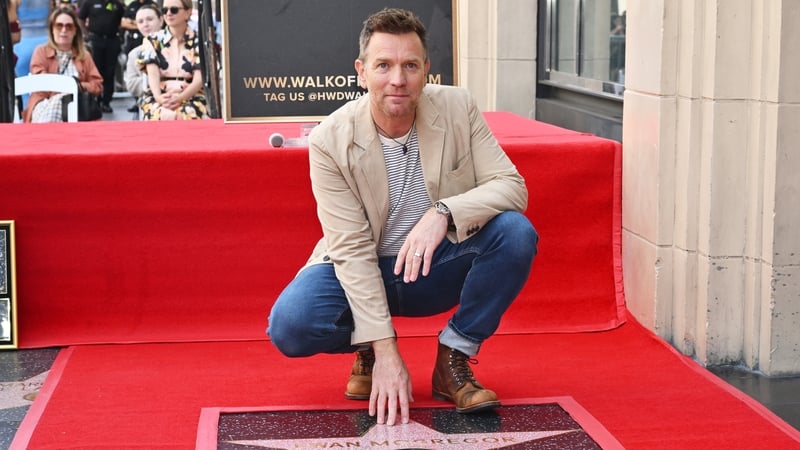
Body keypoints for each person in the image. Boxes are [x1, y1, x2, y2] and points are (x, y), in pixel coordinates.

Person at [267, 8, 538, 427]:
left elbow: (511, 186)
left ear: (427, 70)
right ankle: (368, 348)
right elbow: (352, 251)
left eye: (410, 65)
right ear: (361, 72)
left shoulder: (458, 107)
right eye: (384, 66)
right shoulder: (329, 140)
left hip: (434, 265)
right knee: (290, 325)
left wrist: (443, 212)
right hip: (362, 266)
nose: (398, 79)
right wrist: (387, 353)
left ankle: (454, 357)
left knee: (515, 233)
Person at [22, 6, 103, 123]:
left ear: (75, 31)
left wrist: (77, 86)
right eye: (59, 25)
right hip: (45, 104)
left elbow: (97, 86)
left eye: (69, 26)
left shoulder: (84, 56)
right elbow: (40, 82)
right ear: (52, 29)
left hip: (77, 107)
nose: (63, 30)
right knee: (58, 102)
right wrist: (65, 90)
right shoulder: (41, 51)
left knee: (68, 102)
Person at [138, 0, 207, 120]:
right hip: (159, 95)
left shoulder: (200, 41)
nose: (168, 13)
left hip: (191, 96)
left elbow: (199, 80)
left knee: (185, 116)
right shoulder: (152, 40)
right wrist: (159, 98)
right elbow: (152, 75)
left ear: (188, 12)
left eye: (174, 10)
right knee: (160, 114)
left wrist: (181, 98)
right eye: (164, 10)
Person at [79, 0, 124, 113]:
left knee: (110, 72)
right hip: (95, 40)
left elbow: (122, 21)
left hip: (112, 40)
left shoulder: (116, 4)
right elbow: (81, 18)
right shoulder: (90, 2)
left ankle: (106, 102)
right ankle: (95, 101)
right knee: (96, 71)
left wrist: (120, 37)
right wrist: (85, 35)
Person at [123, 3, 161, 116]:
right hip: (149, 103)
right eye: (140, 21)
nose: (145, 24)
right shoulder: (134, 54)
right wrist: (156, 81)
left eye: (150, 19)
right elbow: (131, 85)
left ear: (161, 20)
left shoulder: (175, 46)